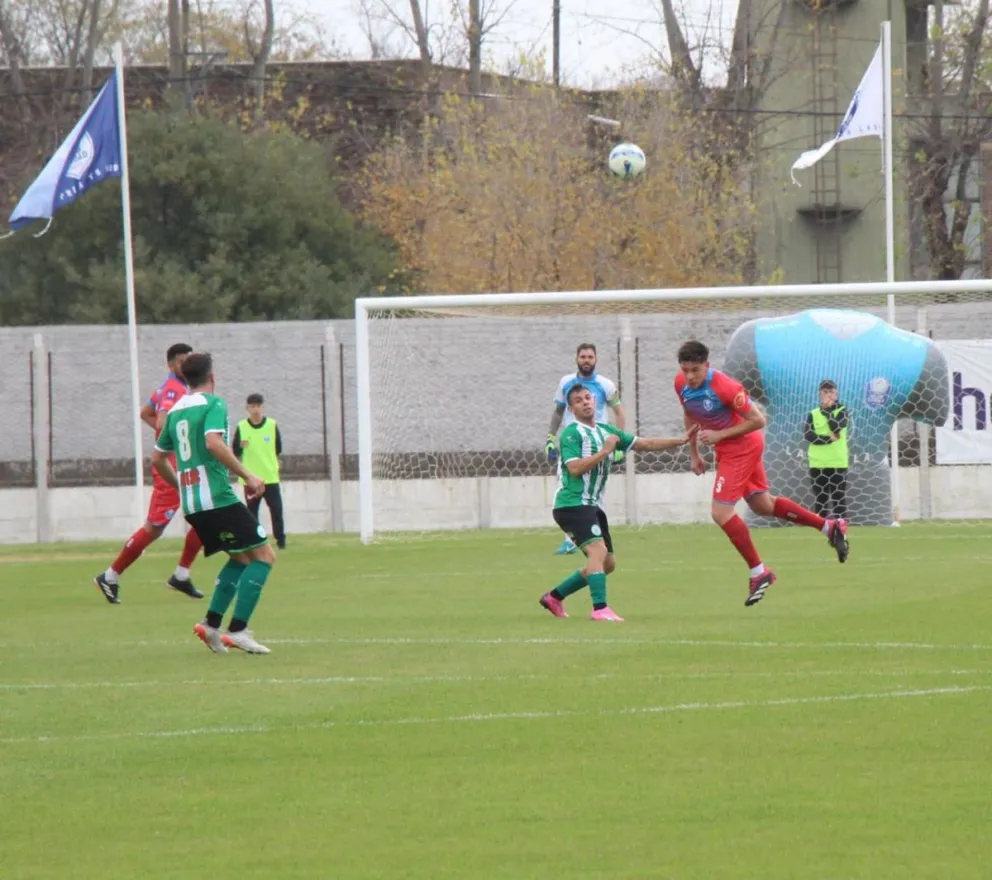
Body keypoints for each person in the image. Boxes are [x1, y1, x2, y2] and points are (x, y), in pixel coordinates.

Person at [675, 340, 849, 608]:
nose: (689, 376)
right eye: (685, 370)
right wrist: (694, 453)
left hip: (742, 447)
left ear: (707, 366)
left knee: (720, 513)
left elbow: (758, 420)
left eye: (695, 370)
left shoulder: (726, 387)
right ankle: (829, 526)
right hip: (728, 449)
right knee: (762, 505)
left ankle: (759, 572)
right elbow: (690, 413)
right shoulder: (681, 384)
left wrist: (720, 434)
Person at [151, 352, 277, 655]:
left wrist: (181, 486)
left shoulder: (175, 411)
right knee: (264, 557)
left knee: (241, 558)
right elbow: (213, 442)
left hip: (194, 505)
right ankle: (238, 630)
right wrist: (248, 475)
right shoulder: (214, 404)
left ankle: (210, 625)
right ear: (212, 377)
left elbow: (157, 458)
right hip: (218, 498)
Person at [539, 384, 695, 622]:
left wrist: (680, 440)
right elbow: (575, 469)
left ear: (595, 401)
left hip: (591, 505)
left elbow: (645, 444)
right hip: (571, 504)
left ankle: (554, 597)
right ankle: (600, 608)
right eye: (579, 400)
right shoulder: (571, 433)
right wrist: (605, 452)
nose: (585, 402)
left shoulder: (606, 431)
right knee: (597, 551)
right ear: (571, 409)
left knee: (607, 563)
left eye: (588, 397)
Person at [94, 343, 204, 604]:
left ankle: (181, 574)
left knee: (205, 514)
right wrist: (176, 440)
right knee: (154, 528)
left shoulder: (172, 387)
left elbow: (146, 413)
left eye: (189, 360)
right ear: (171, 365)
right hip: (171, 466)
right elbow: (163, 421)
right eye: (181, 361)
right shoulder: (173, 389)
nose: (186, 366)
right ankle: (110, 576)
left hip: (181, 464)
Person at [545, 343, 626, 556]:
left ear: (596, 359)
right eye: (583, 357)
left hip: (598, 442)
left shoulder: (605, 385)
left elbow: (620, 413)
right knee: (566, 486)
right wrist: (551, 438)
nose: (586, 360)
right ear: (576, 359)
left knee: (596, 491)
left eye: (590, 357)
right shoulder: (566, 383)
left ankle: (598, 535)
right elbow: (558, 411)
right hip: (573, 442)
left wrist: (618, 445)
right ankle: (571, 539)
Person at [232, 393, 286, 549]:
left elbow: (278, 448)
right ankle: (256, 541)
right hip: (251, 480)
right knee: (251, 513)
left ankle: (281, 540)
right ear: (247, 408)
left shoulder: (272, 425)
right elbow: (236, 450)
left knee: (276, 510)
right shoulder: (242, 427)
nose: (255, 409)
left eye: (258, 406)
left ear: (263, 407)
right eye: (252, 406)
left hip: (270, 477)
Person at [804, 379, 850, 520]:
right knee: (820, 498)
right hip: (817, 463)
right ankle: (821, 527)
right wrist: (828, 439)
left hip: (837, 462)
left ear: (836, 394)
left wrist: (828, 411)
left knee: (838, 498)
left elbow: (836, 427)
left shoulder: (843, 411)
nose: (828, 394)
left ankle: (840, 528)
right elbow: (808, 435)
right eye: (825, 392)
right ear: (820, 394)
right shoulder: (813, 413)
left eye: (831, 391)